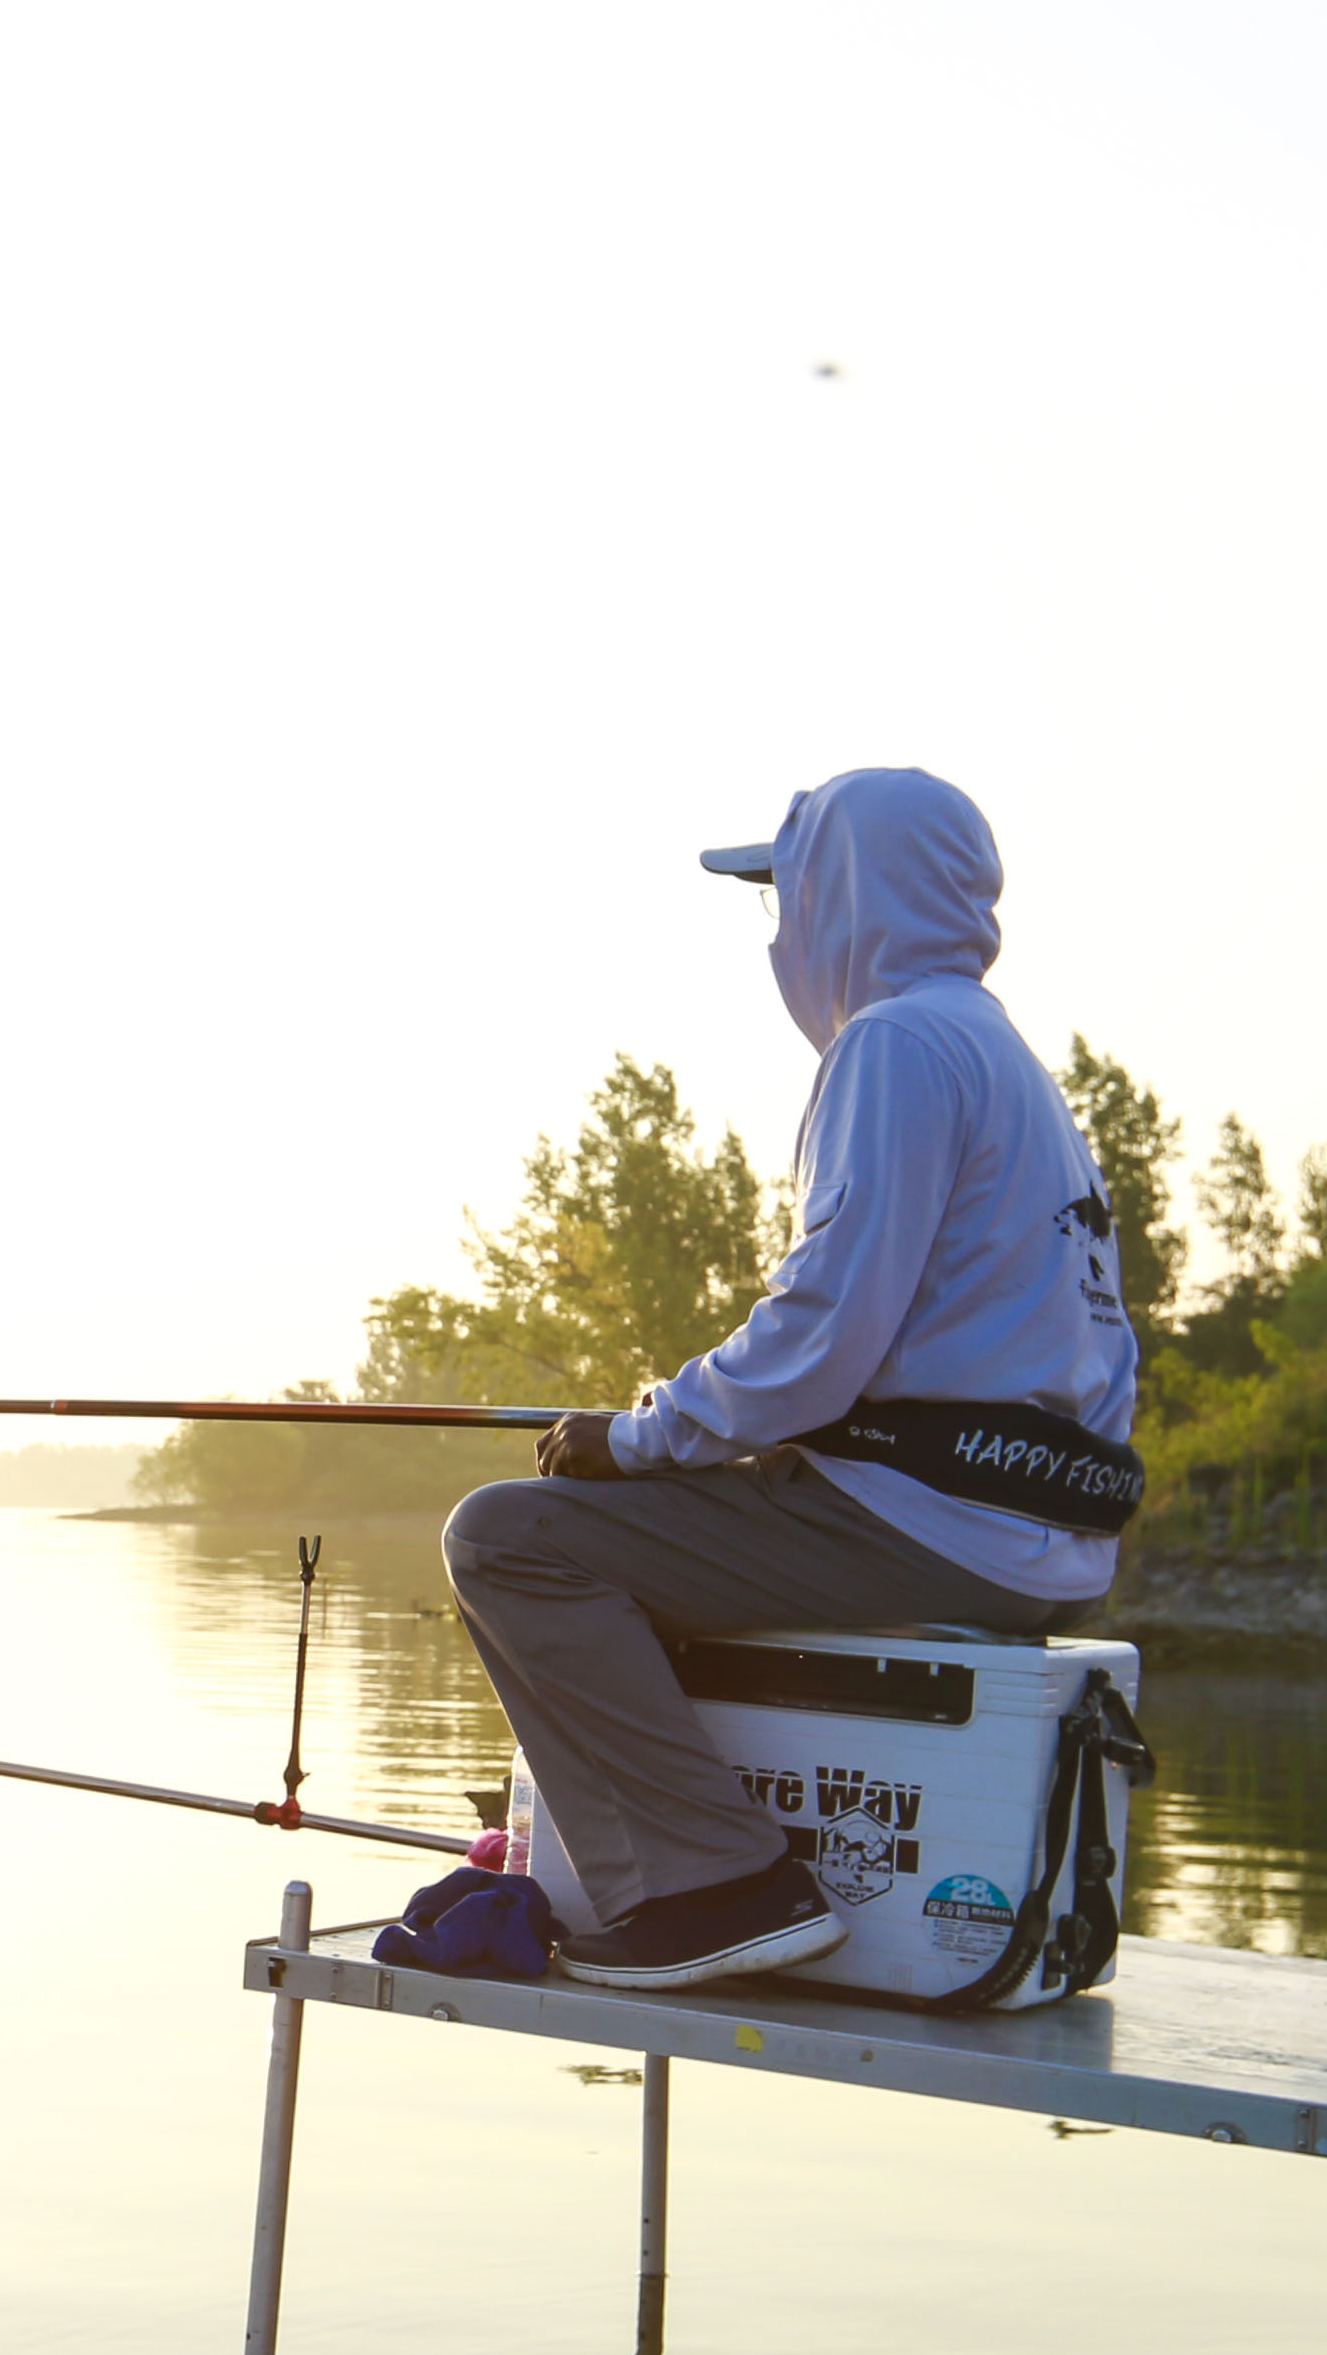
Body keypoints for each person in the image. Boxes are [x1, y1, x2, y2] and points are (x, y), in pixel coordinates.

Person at [443, 765, 1140, 1990]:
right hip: (1031, 1533)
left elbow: (823, 1328)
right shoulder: (1009, 1063)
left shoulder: (896, 1046)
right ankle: (679, 1862)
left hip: (930, 1526)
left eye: (787, 893)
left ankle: (713, 1889)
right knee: (612, 1541)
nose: (779, 930)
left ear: (844, 897)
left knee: (513, 1537)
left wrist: (644, 1435)